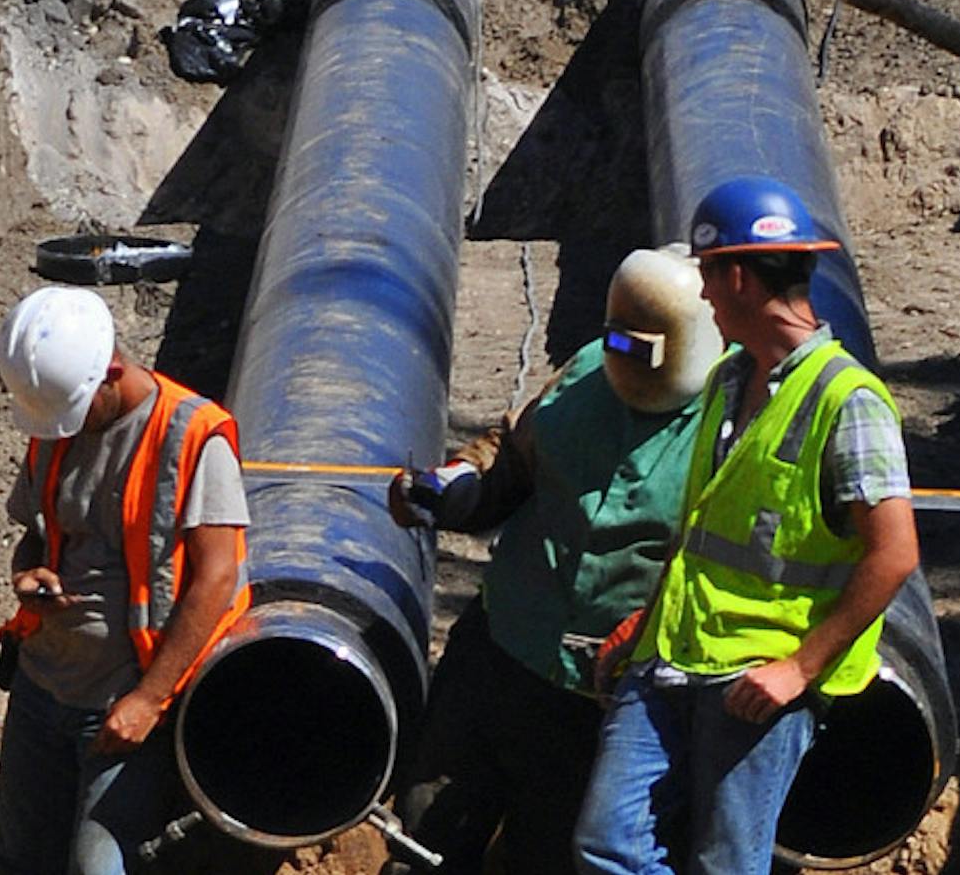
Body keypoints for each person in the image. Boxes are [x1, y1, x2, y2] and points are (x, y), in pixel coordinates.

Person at [573, 176, 921, 875]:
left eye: (706, 276)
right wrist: (648, 622)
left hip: (759, 677)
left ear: (736, 274)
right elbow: (702, 525)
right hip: (673, 652)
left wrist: (798, 668)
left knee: (726, 862)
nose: (701, 296)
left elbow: (894, 553)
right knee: (606, 843)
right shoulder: (730, 378)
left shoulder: (847, 399)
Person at [384, 245, 722, 875]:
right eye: (620, 341)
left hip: (601, 695)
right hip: (499, 656)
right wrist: (452, 486)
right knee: (428, 835)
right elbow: (510, 459)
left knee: (548, 851)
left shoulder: (735, 423)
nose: (626, 361)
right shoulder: (587, 374)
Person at [0, 286, 251, 875]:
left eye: (75, 415)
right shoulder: (55, 423)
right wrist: (26, 571)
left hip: (121, 702)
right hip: (41, 682)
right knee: (19, 856)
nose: (65, 432)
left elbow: (217, 576)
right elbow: (36, 530)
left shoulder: (191, 437)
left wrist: (149, 698)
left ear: (111, 372)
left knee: (97, 865)